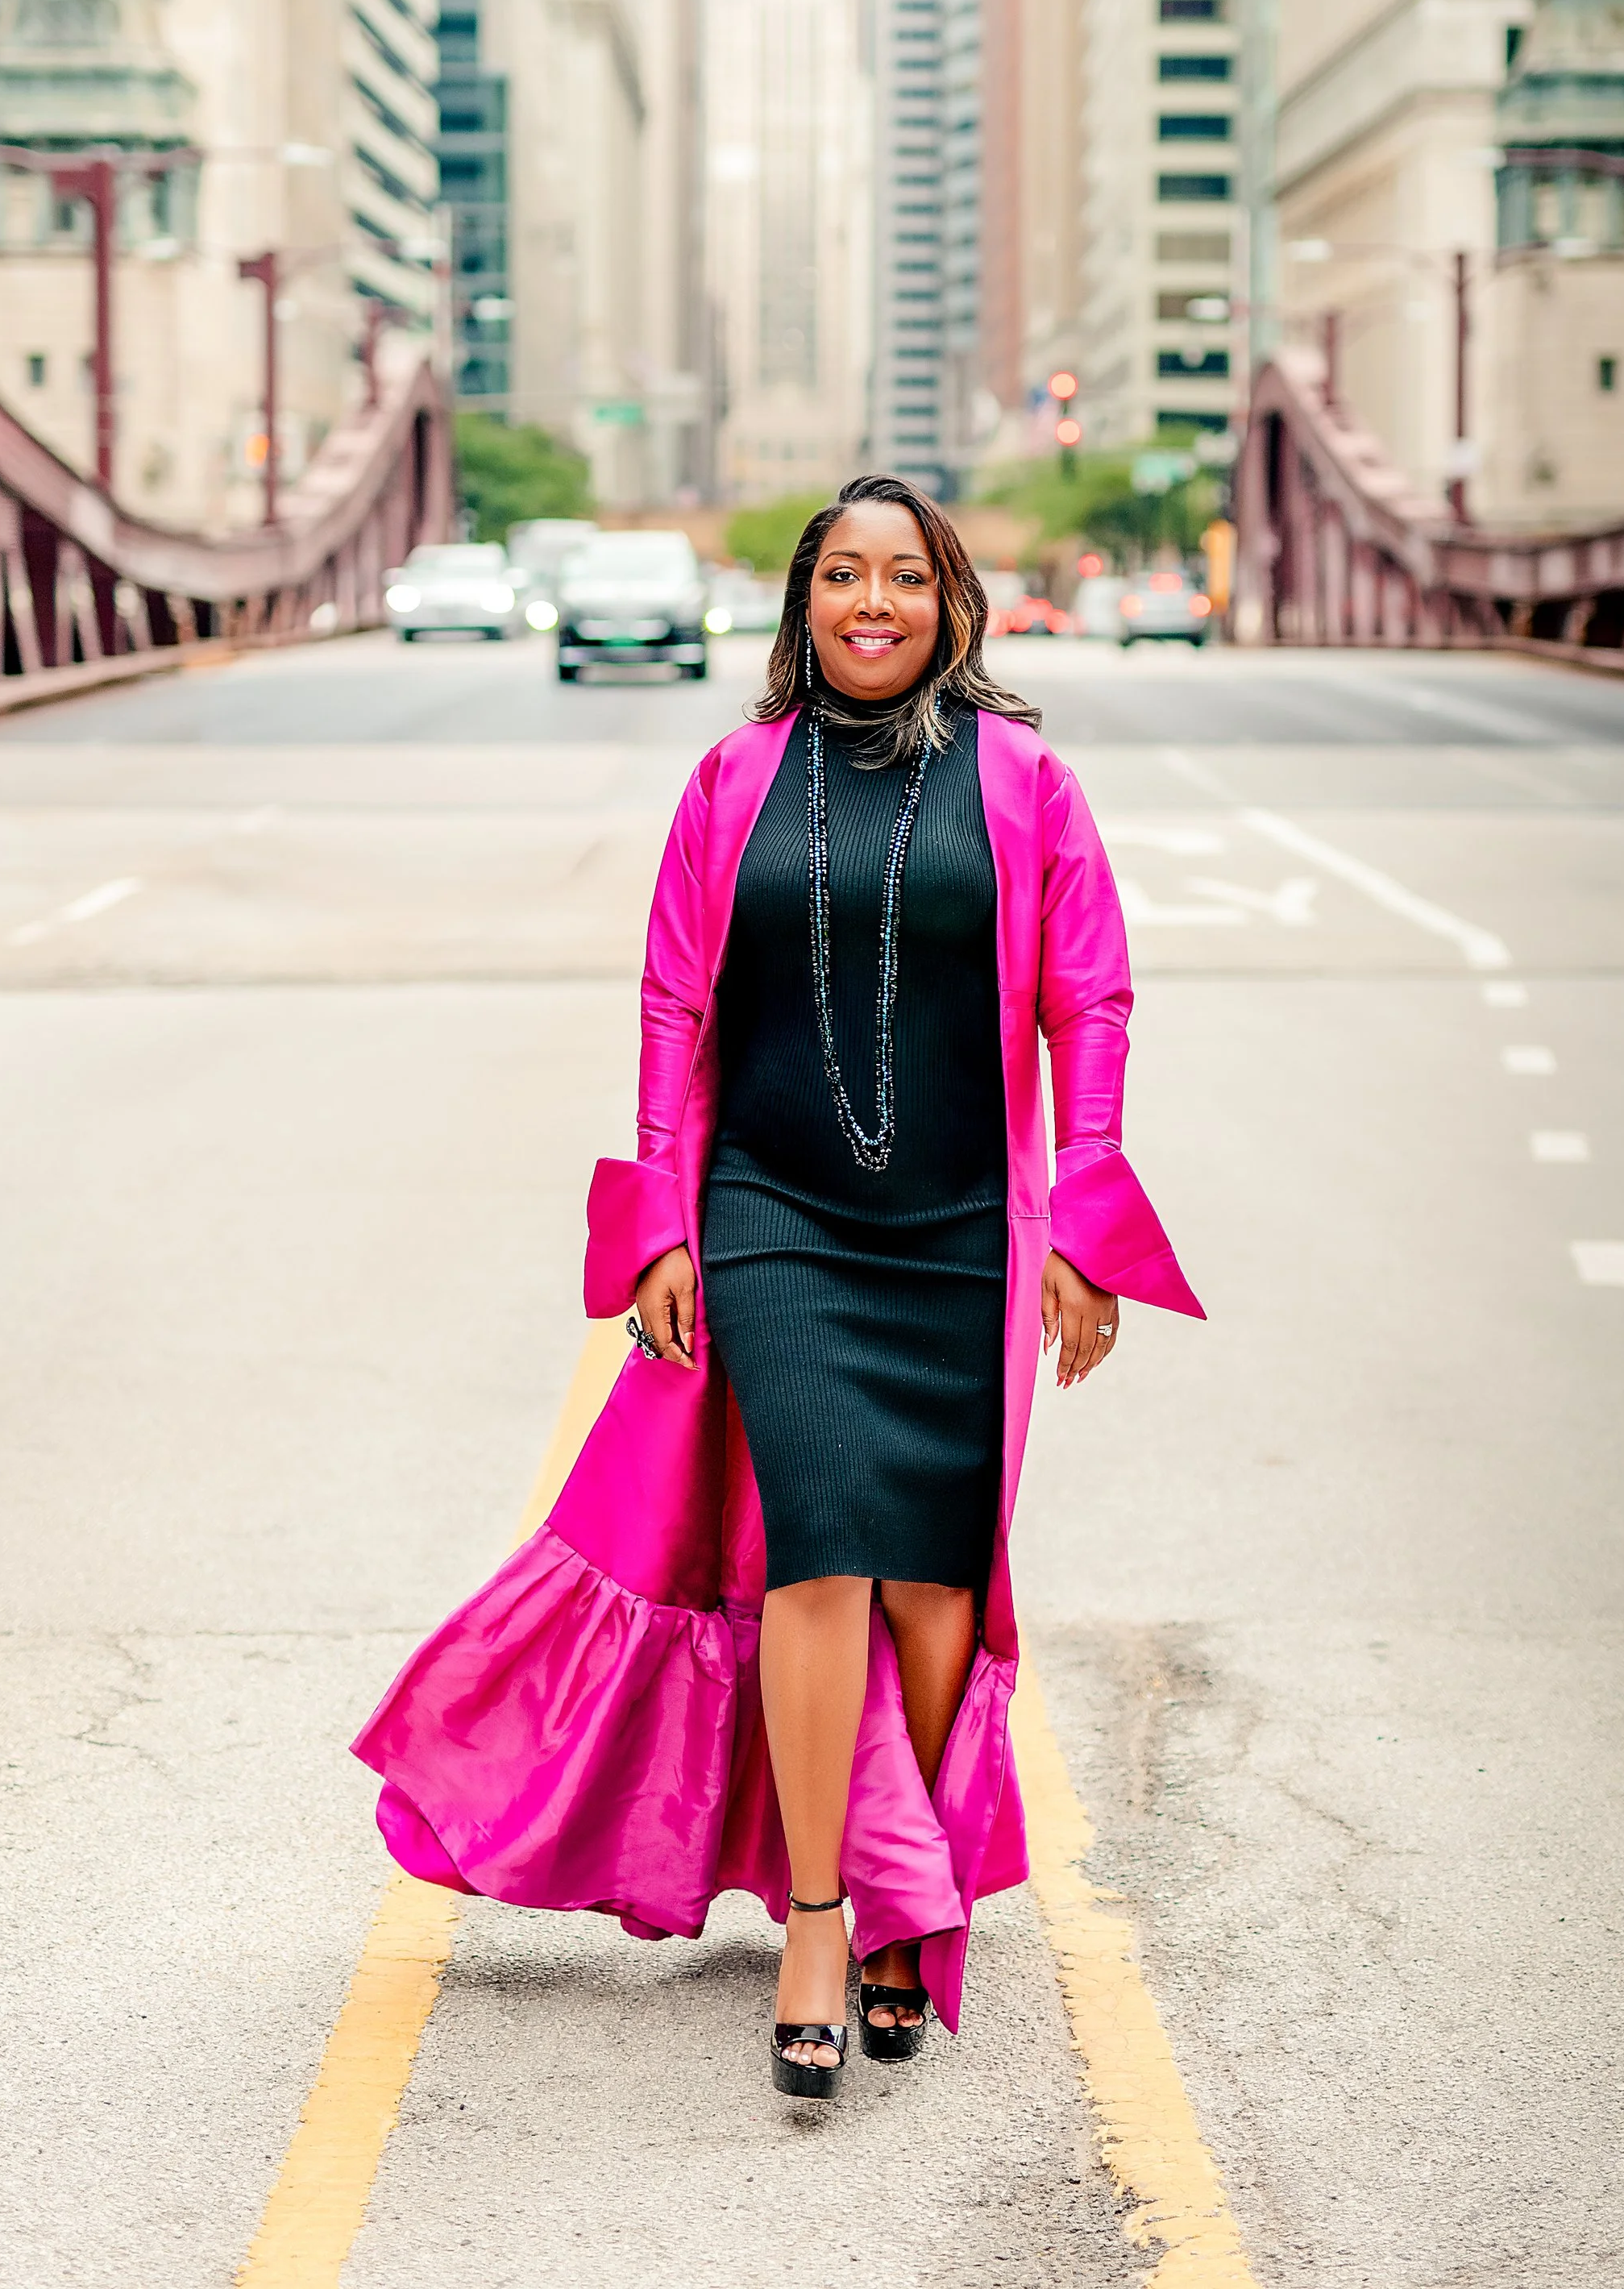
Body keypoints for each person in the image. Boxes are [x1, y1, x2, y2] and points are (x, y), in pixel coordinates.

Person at [354, 476, 1202, 2100]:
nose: (871, 602)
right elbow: (673, 1006)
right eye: (841, 577)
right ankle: (821, 1909)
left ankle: (908, 1887)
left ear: (950, 603)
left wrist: (1087, 1220)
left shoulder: (1025, 782)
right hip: (774, 1214)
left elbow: (1087, 1001)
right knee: (815, 1556)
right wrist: (662, 1223)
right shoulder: (731, 778)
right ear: (801, 604)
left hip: (963, 1224)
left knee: (939, 1578)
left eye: (903, 577)